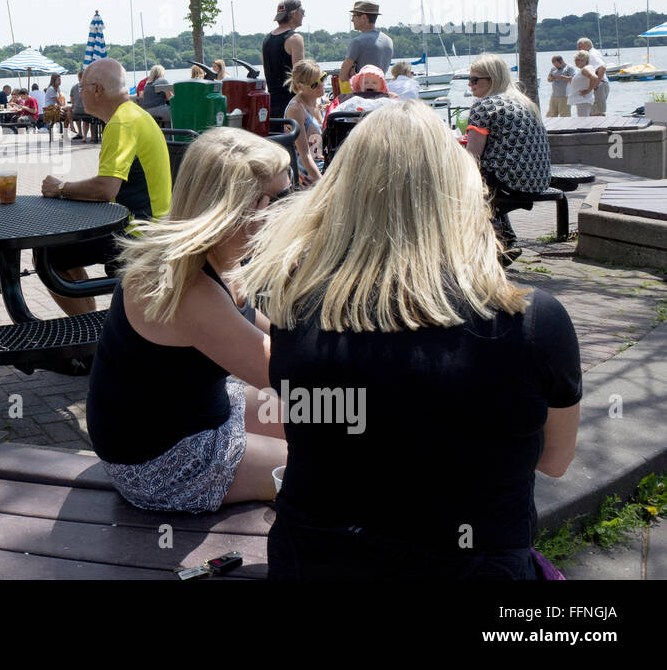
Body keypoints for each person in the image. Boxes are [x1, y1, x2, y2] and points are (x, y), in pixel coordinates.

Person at [238, 102, 579, 580]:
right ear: (459, 190)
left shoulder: (295, 307)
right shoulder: (533, 320)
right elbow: (556, 460)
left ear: (340, 194)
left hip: (316, 565)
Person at [88, 129, 290, 512]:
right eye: (274, 200)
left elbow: (266, 330)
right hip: (161, 459)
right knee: (329, 462)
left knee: (341, 414)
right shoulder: (190, 289)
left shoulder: (211, 255)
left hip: (200, 411)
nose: (282, 211)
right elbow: (285, 372)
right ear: (235, 205)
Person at [41, 59, 172, 315]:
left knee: (50, 255)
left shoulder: (121, 123)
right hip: (156, 225)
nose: (79, 94)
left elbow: (105, 189)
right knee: (64, 249)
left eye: (82, 88)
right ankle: (92, 326)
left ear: (97, 89)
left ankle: (89, 332)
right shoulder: (136, 115)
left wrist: (61, 187)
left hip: (139, 234)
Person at [465, 53, 551, 255]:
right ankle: (505, 239)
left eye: (474, 80)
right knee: (493, 174)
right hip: (538, 178)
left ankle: (490, 249)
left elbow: (472, 157)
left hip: (510, 180)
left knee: (466, 182)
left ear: (492, 80)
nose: (470, 84)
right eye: (469, 79)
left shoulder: (484, 106)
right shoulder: (525, 103)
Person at [283, 59, 326, 186]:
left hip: (324, 165)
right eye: (314, 85)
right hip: (306, 174)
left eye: (322, 78)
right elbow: (304, 155)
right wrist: (322, 185)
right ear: (300, 87)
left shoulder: (321, 101)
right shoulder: (296, 110)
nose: (321, 85)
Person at [262, 0, 307, 118]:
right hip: (291, 105)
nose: (304, 15)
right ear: (294, 13)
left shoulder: (266, 39)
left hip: (271, 104)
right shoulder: (295, 39)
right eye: (303, 12)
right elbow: (301, 76)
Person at [338, 1, 393, 94]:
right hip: (382, 94)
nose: (352, 20)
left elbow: (343, 77)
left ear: (363, 17)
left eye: (354, 16)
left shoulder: (357, 42)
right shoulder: (388, 40)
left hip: (363, 96)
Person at [330, 65, 399, 116]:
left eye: (374, 83)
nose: (370, 85)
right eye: (365, 83)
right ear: (358, 85)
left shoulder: (388, 98)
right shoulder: (351, 99)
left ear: (382, 86)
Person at [576, 38, 610, 115]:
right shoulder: (594, 52)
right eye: (577, 47)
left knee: (596, 113)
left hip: (599, 86)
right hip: (601, 84)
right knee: (595, 112)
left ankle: (600, 126)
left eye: (580, 46)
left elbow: (602, 68)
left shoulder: (591, 55)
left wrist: (594, 86)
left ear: (588, 45)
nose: (578, 49)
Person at [569, 51, 598, 117]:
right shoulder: (582, 69)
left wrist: (588, 90)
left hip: (584, 100)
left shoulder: (586, 68)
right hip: (582, 100)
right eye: (576, 59)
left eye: (580, 60)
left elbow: (594, 78)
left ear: (585, 61)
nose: (577, 61)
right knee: (584, 121)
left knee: (583, 122)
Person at [69, 70, 88, 140]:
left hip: (76, 111)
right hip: (86, 110)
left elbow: (72, 100)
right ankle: (85, 136)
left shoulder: (74, 87)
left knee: (76, 111)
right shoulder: (88, 87)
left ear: (78, 77)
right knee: (87, 119)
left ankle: (80, 132)